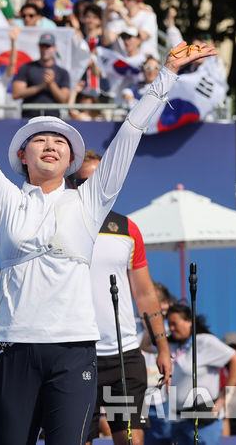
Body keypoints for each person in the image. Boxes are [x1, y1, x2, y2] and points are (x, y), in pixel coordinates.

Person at [0, 30, 216, 444]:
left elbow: (130, 132)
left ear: (71, 158)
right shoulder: (2, 197)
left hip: (74, 351)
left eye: (60, 141)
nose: (50, 145)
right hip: (14, 348)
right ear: (21, 157)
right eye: (39, 140)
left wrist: (167, 73)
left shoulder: (90, 201)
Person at [71, 151, 172, 445]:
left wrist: (162, 346)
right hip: (74, 356)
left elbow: (145, 293)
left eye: (103, 182)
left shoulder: (127, 230)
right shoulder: (56, 225)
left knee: (131, 441)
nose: (96, 189)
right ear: (72, 183)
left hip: (124, 356)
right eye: (86, 182)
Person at [167, 303, 236, 445]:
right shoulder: (172, 345)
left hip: (203, 423)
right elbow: (146, 344)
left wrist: (224, 398)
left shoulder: (204, 341)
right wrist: (157, 315)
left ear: (189, 321)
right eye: (168, 324)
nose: (171, 328)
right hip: (178, 422)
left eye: (174, 324)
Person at [11, 32, 71, 118]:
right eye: (42, 46)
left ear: (54, 48)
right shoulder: (27, 68)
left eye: (48, 46)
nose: (45, 49)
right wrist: (41, 86)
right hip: (29, 117)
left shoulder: (62, 72)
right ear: (38, 47)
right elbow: (16, 94)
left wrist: (51, 84)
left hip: (53, 118)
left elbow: (65, 100)